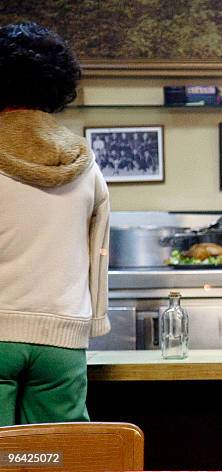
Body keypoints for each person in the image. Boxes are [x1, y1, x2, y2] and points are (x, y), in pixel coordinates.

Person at [0, 22, 110, 425]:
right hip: (62, 342)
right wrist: (92, 324)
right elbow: (99, 254)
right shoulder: (85, 164)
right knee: (57, 459)